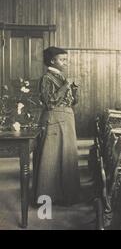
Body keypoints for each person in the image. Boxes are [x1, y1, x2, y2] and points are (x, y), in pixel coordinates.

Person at [35, 47, 80, 205]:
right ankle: (47, 196)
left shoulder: (61, 77)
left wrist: (74, 88)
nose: (66, 62)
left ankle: (66, 195)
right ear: (52, 61)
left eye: (66, 59)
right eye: (63, 59)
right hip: (54, 118)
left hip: (67, 118)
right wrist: (66, 86)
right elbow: (49, 102)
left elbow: (73, 102)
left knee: (67, 156)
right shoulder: (47, 78)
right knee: (51, 158)